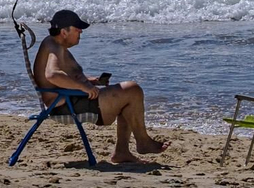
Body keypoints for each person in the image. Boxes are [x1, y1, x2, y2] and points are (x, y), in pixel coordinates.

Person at [33, 8, 168, 164]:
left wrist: (92, 82)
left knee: (128, 95)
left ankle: (122, 152)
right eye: (78, 30)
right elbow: (53, 75)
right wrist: (84, 88)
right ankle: (142, 142)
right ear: (64, 32)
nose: (81, 33)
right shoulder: (54, 45)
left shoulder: (56, 46)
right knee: (133, 90)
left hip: (72, 99)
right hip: (67, 105)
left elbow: (63, 77)